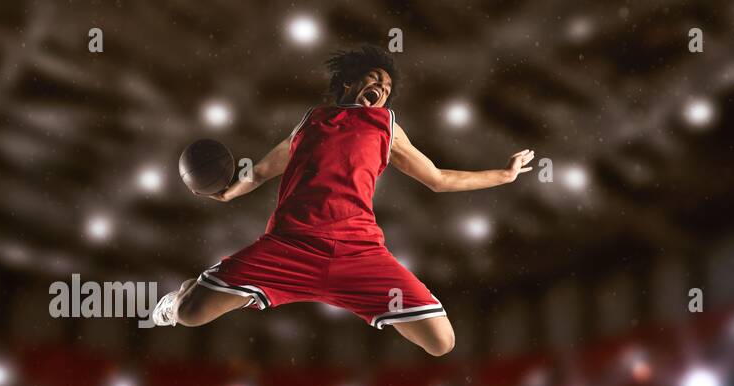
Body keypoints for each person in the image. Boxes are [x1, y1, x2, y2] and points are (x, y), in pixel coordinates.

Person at [151, 44, 533, 357]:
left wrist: (504, 174)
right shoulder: (311, 121)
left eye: (386, 87)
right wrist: (230, 191)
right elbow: (265, 169)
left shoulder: (386, 125)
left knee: (441, 342)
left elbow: (436, 179)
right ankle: (190, 292)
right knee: (189, 313)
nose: (382, 89)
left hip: (358, 253)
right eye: (375, 80)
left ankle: (249, 296)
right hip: (290, 246)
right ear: (349, 83)